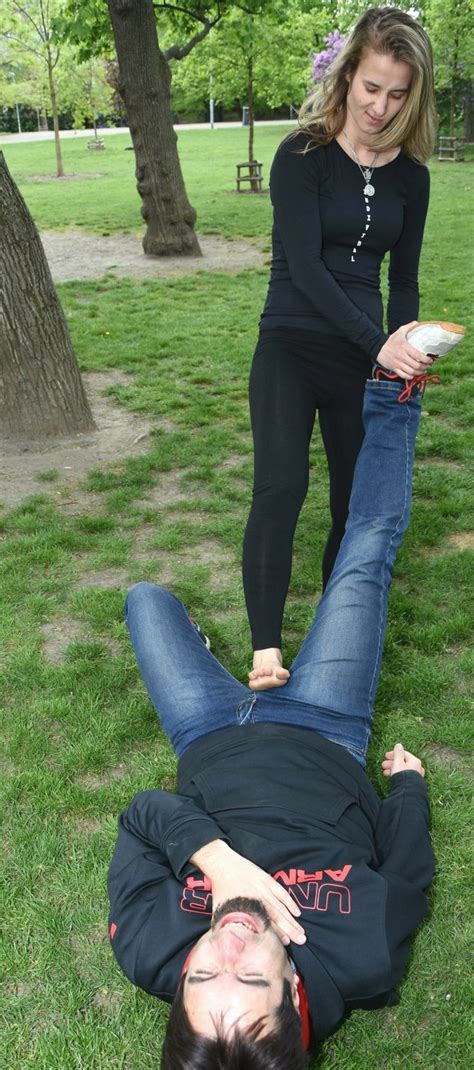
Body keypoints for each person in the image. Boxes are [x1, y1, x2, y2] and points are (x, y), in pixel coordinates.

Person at [108, 376, 435, 1068]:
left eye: (202, 975)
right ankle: (393, 395)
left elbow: (143, 815)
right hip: (327, 725)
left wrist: (217, 860)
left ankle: (211, 659)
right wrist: (407, 788)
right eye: (251, 975)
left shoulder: (146, 945)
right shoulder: (363, 956)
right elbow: (404, 870)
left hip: (208, 731)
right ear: (296, 994)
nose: (226, 947)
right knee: (365, 552)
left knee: (144, 600)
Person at [242, 6, 438, 691]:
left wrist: (408, 349)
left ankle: (333, 635)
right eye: (372, 87)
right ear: (348, 73)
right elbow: (306, 269)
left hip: (368, 360)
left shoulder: (412, 177)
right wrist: (382, 344)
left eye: (398, 93)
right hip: (291, 345)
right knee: (282, 486)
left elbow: (404, 281)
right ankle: (266, 651)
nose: (381, 106)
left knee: (354, 506)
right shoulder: (300, 155)